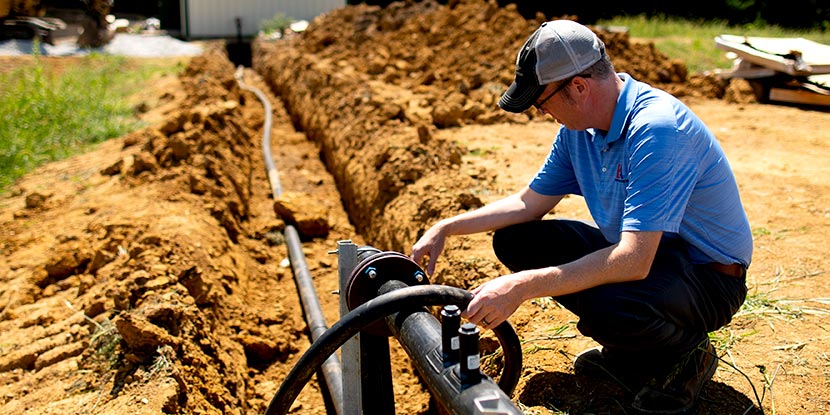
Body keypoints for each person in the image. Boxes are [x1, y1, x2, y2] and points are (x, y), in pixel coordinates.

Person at [411, 20, 751, 415]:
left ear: (578, 87)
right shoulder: (580, 130)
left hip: (707, 280)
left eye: (542, 101)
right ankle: (636, 349)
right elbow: (527, 205)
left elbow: (634, 260)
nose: (541, 111)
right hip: (659, 263)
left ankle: (685, 355)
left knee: (608, 304)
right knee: (516, 240)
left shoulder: (656, 130)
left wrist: (523, 286)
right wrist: (446, 227)